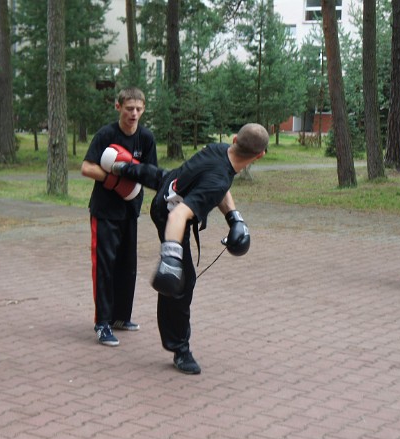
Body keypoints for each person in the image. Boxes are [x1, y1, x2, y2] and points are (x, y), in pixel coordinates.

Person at [109, 123, 268, 374]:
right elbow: (179, 215)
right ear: (260, 155)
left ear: (235, 140)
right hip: (168, 213)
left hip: (170, 184)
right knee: (181, 284)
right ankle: (179, 349)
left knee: (158, 175)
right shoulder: (217, 181)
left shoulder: (218, 150)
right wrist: (171, 259)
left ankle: (121, 167)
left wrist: (234, 217)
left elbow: (221, 183)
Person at [80, 87, 157, 346]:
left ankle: (121, 317)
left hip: (130, 211)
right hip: (104, 211)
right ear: (118, 107)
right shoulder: (106, 134)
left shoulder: (146, 138)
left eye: (138, 109)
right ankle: (102, 322)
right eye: (129, 108)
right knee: (105, 267)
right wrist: (115, 177)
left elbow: (151, 173)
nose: (134, 113)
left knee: (127, 266)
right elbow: (86, 167)